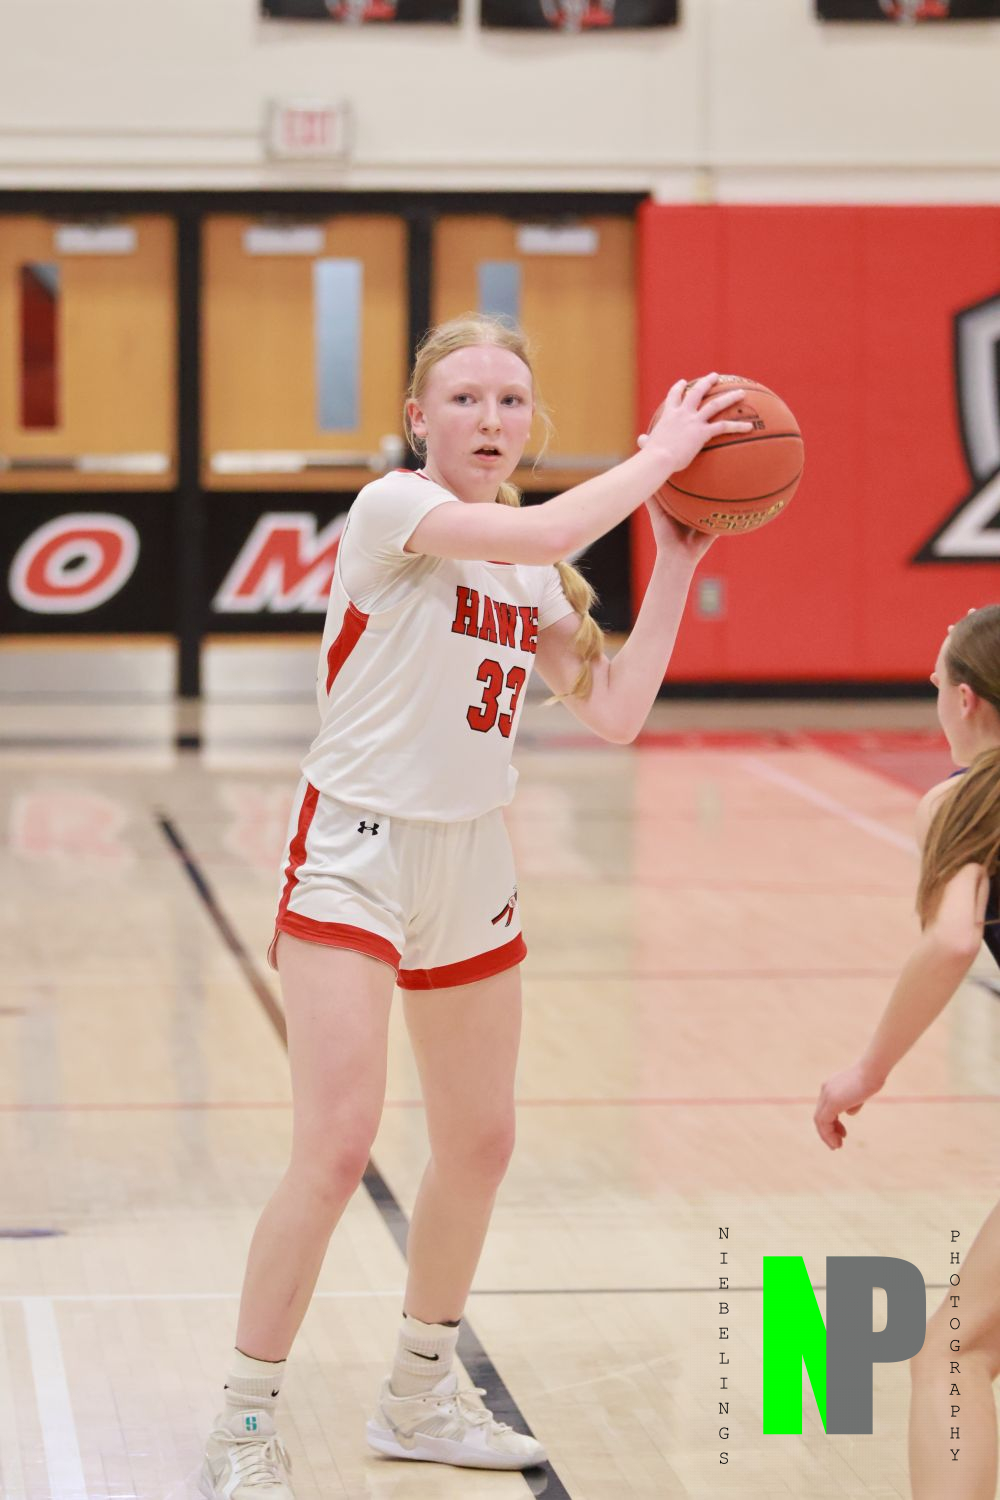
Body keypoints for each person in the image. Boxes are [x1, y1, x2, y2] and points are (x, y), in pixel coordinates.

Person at [198, 312, 751, 1499]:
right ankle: (243, 1422)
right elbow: (550, 522)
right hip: (355, 847)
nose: (489, 419)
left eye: (508, 400)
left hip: (471, 858)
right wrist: (662, 456)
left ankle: (419, 1393)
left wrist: (678, 563)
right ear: (418, 420)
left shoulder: (528, 569)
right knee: (335, 1148)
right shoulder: (393, 509)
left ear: (528, 420)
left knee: (481, 1142)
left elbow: (614, 711)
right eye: (463, 399)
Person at [814, 604, 1000, 1500]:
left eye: (936, 682)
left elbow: (953, 940)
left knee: (952, 1355)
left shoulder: (961, 802)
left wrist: (867, 1070)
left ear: (965, 701)